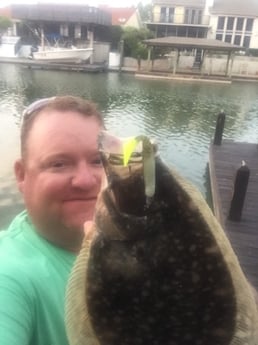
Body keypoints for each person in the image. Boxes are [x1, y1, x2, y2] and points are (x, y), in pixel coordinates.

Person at [0, 95, 105, 345]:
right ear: (22, 175)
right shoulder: (9, 274)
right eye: (59, 164)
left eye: (98, 161)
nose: (87, 181)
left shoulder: (136, 245)